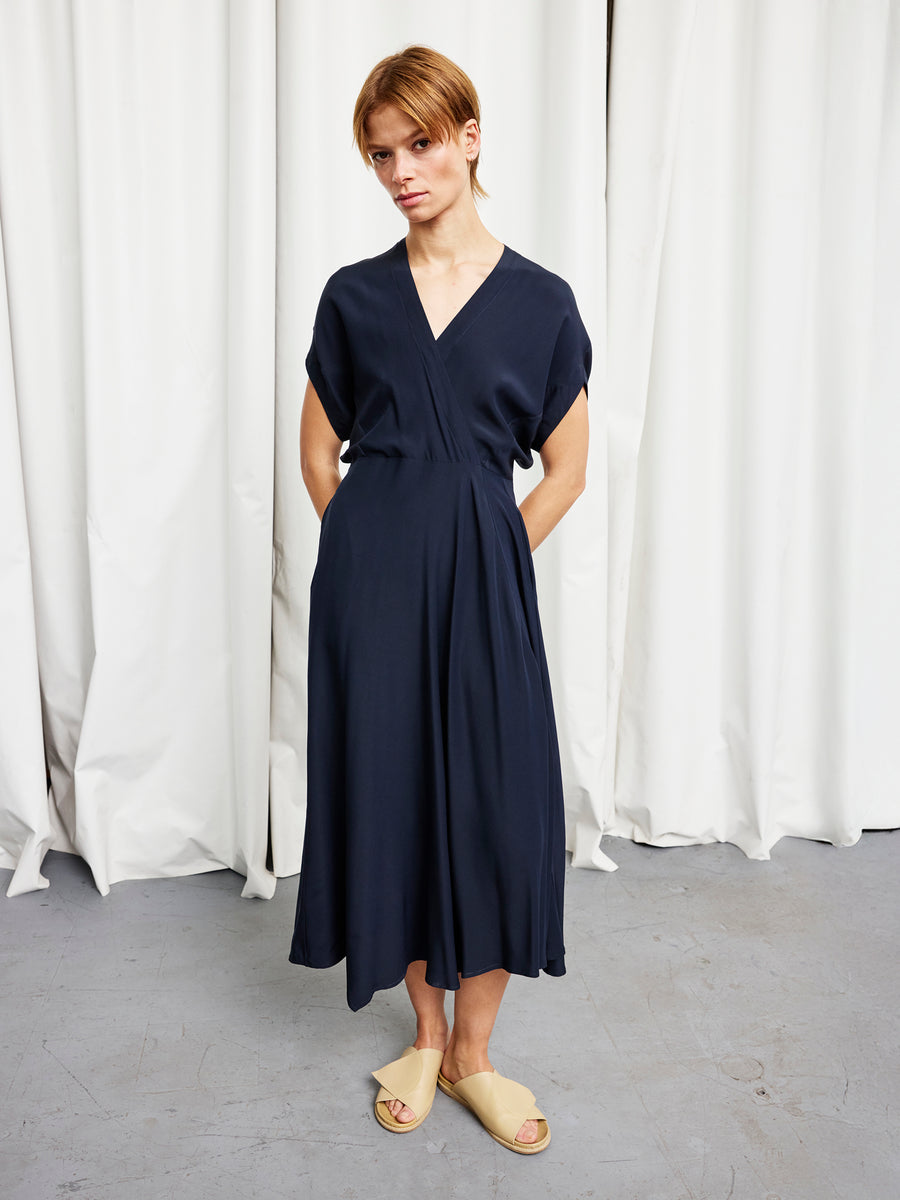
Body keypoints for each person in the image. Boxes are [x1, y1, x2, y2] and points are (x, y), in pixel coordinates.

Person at [289, 44, 591, 1156]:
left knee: (502, 807)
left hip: (486, 589)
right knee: (398, 803)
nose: (402, 170)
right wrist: (372, 551)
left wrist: (489, 553)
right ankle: (424, 1033)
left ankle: (476, 1053)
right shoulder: (355, 297)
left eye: (420, 143)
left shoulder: (540, 305)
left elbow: (566, 466)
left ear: (469, 136)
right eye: (381, 154)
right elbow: (320, 455)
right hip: (371, 597)